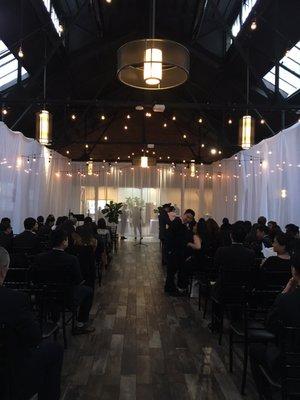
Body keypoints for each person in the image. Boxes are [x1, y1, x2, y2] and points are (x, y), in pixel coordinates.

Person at [0, 246, 63, 400]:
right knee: (54, 350)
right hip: (9, 374)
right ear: (3, 270)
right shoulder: (15, 300)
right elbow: (34, 337)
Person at [250, 251, 300, 400]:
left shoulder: (286, 300)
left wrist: (284, 292)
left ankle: (267, 395)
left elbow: (269, 326)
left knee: (255, 349)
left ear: (293, 269)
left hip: (290, 363)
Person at [34, 229, 95, 334]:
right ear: (63, 241)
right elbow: (78, 281)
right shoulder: (71, 259)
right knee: (89, 291)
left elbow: (35, 278)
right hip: (66, 296)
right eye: (67, 239)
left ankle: (54, 319)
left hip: (45, 295)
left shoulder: (39, 258)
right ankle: (80, 323)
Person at [164, 209, 195, 295]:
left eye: (190, 218)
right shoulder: (177, 222)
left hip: (174, 251)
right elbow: (173, 238)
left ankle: (170, 288)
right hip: (173, 250)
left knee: (172, 271)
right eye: (187, 216)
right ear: (184, 214)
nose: (187, 219)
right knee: (171, 271)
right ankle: (170, 289)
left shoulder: (181, 224)